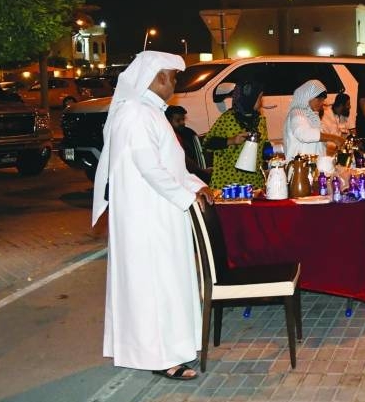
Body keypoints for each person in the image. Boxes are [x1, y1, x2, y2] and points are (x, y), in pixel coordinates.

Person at [91, 50, 213, 381]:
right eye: (173, 76)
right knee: (155, 286)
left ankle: (171, 348)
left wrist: (197, 185)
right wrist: (186, 196)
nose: (174, 83)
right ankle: (161, 357)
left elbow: (170, 165)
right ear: (158, 76)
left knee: (167, 283)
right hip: (147, 216)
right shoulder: (135, 114)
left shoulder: (151, 112)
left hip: (161, 211)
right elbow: (148, 167)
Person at [202, 81, 267, 189]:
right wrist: (232, 141)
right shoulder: (228, 119)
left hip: (253, 182)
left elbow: (264, 146)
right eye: (259, 98)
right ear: (248, 98)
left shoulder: (260, 120)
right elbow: (208, 143)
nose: (261, 103)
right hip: (229, 182)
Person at [284, 79, 345, 159]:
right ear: (308, 96)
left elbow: (317, 142)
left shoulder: (312, 115)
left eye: (323, 100)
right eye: (319, 99)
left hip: (313, 165)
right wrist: (333, 138)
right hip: (300, 167)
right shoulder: (297, 112)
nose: (321, 103)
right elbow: (304, 134)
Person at [166, 105, 211, 184]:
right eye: (178, 120)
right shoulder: (168, 135)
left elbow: (199, 153)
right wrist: (201, 171)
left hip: (192, 173)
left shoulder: (188, 133)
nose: (182, 123)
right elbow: (183, 158)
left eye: (183, 119)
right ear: (167, 121)